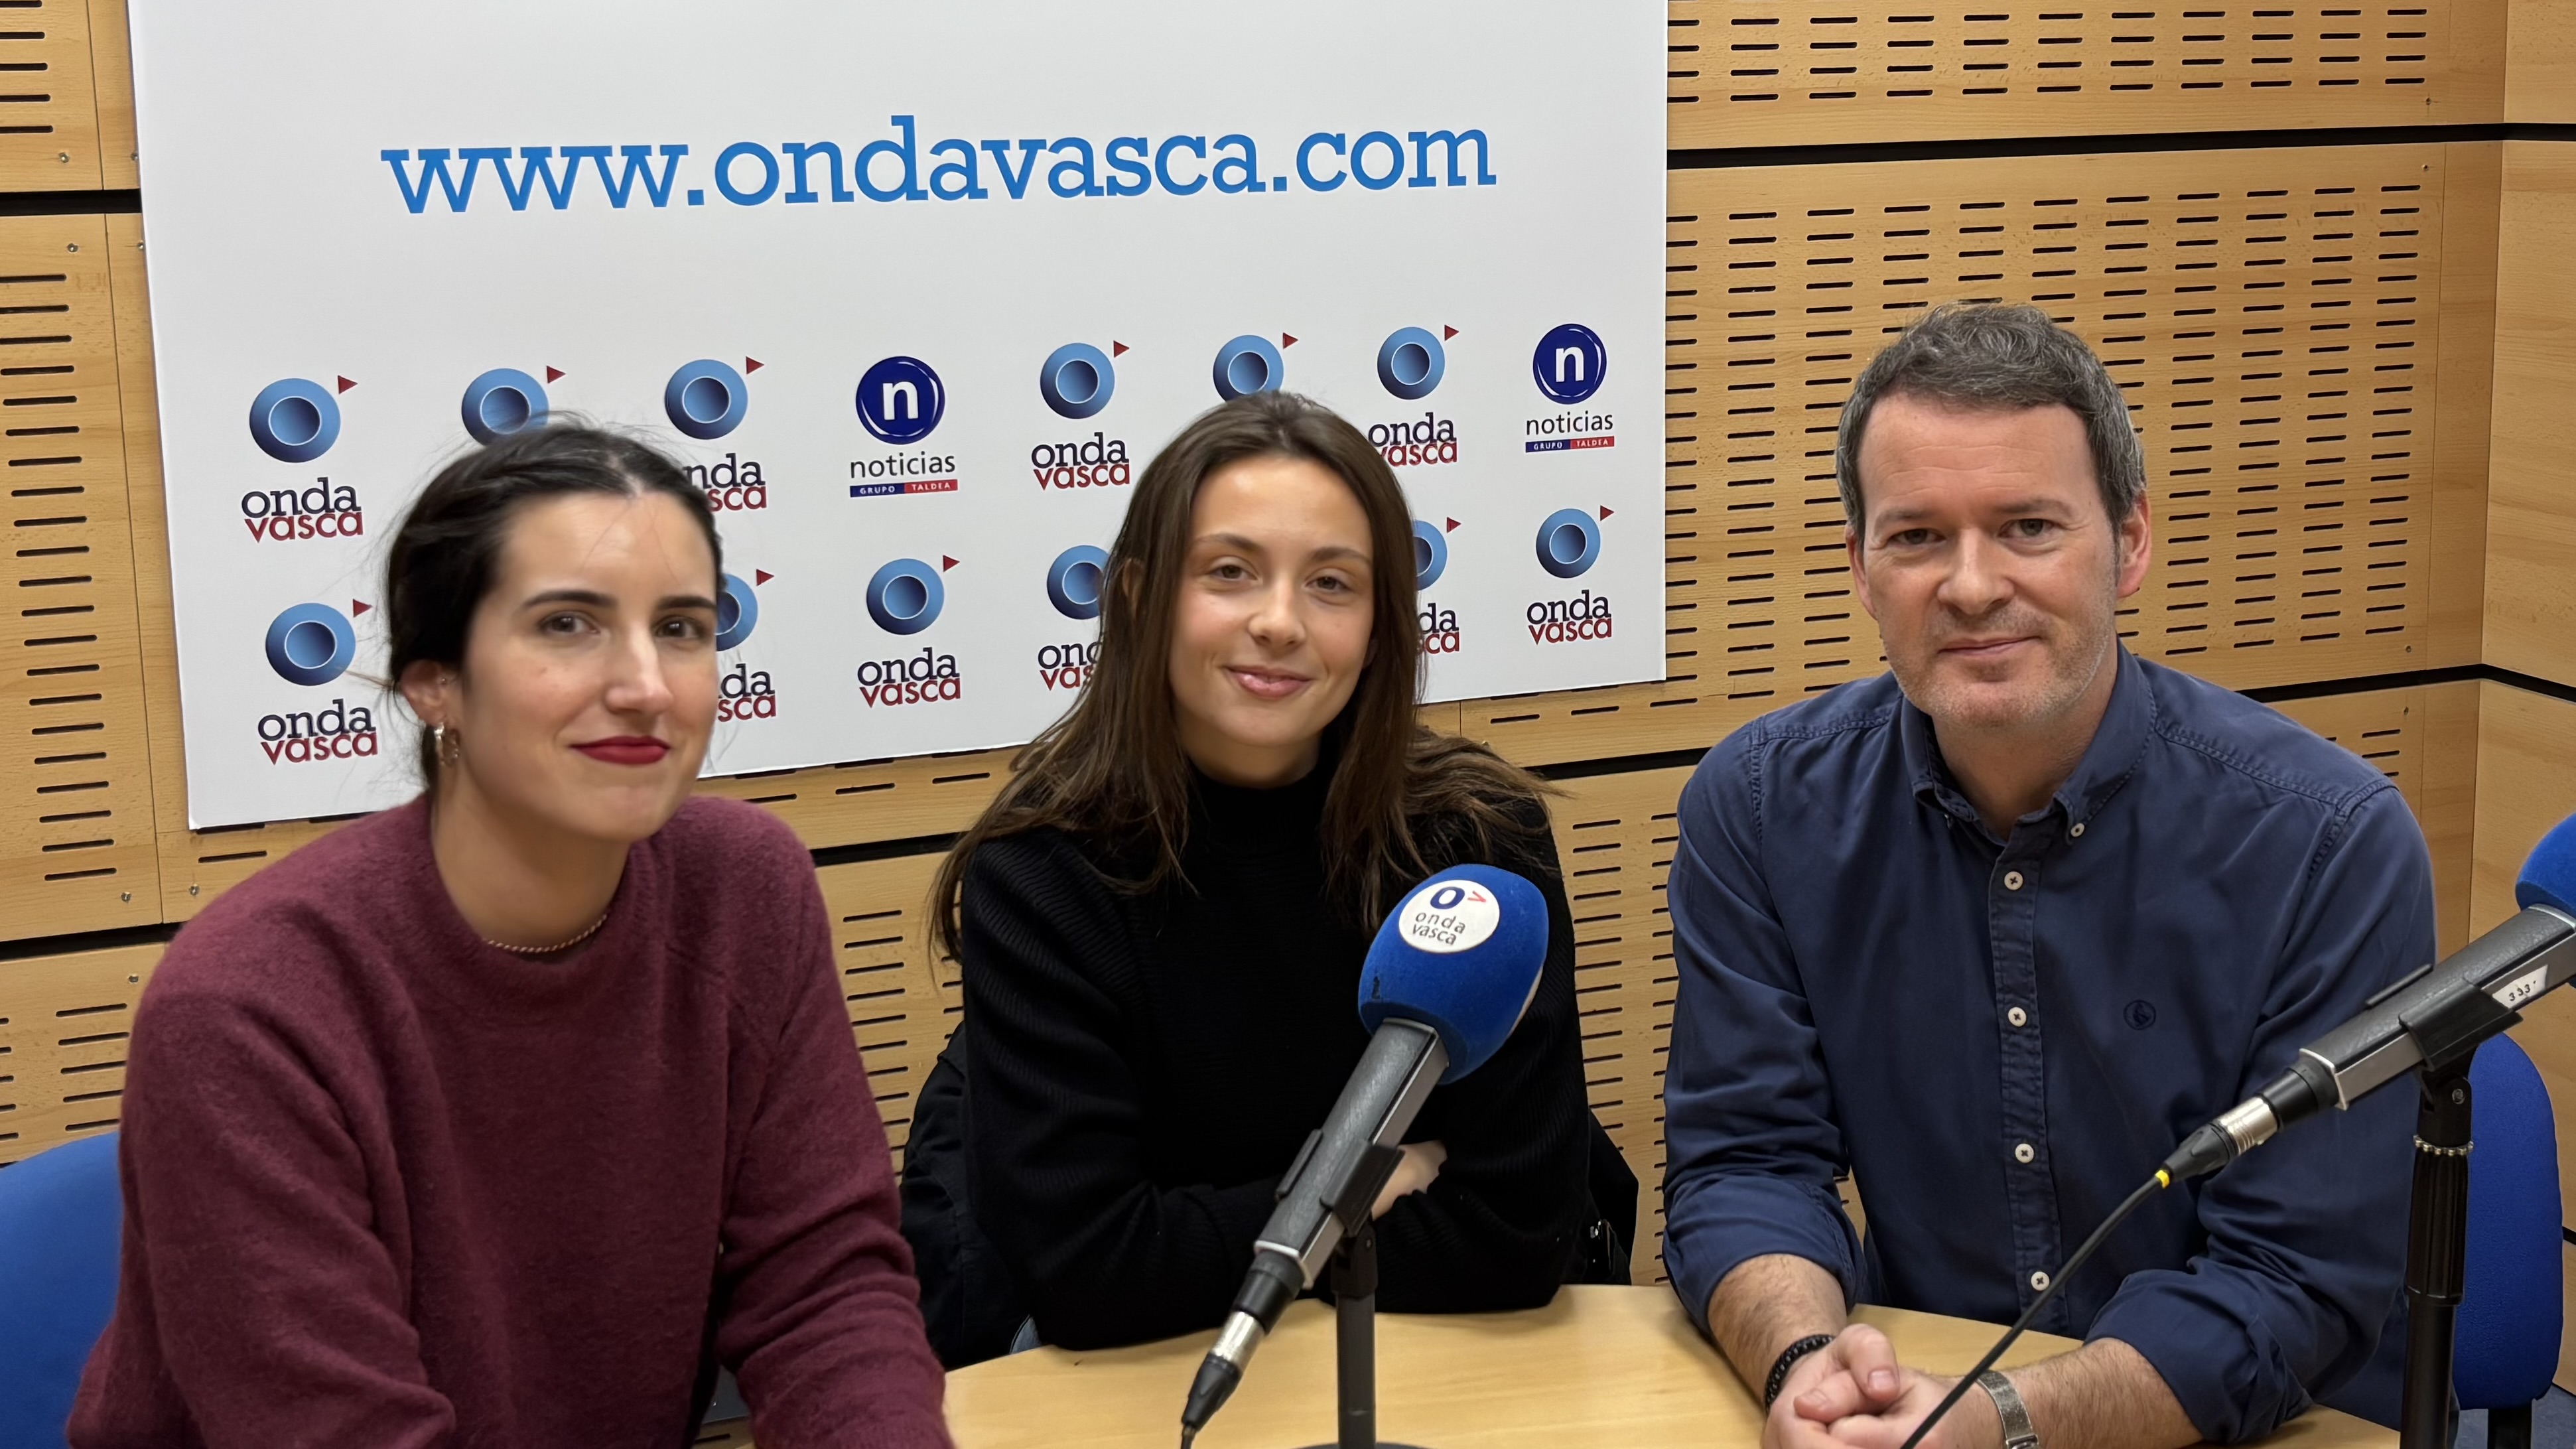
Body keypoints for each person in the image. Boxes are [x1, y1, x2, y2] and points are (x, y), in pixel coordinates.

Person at [71, 427, 949, 1448]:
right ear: (433, 679)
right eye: (567, 624)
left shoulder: (746, 890)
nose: (645, 686)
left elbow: (824, 1289)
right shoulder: (248, 1004)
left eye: (681, 628)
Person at [1659, 305, 2429, 1449]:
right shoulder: (1760, 809)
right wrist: (1810, 1367)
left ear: (2129, 543)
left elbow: (2289, 1283)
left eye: (2027, 527)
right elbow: (1747, 1164)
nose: (1971, 587)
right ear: (1861, 570)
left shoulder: (2329, 840)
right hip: (1913, 1414)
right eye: (1917, 537)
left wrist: (2005, 1422)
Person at [908, 390, 1623, 1359]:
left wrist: (1208, 1235)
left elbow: (1511, 1239)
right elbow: (1091, 1276)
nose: (1280, 622)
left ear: (1380, 626)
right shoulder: (1040, 879)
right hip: (1147, 1388)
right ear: (1136, 598)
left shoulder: (1480, 846)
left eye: (1333, 584)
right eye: (1231, 572)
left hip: (1438, 1373)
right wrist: (1360, 1184)